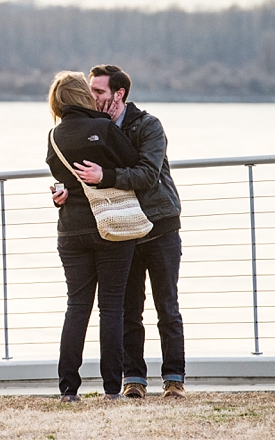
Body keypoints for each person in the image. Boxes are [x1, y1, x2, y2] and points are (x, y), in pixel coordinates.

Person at [69, 64, 186, 400]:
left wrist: (106, 176)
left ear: (119, 94)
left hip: (160, 226)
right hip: (123, 231)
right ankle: (134, 379)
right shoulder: (94, 130)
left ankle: (174, 380)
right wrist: (61, 192)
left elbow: (147, 174)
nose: (92, 97)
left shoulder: (149, 126)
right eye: (91, 91)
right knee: (128, 309)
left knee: (167, 306)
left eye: (99, 92)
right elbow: (81, 176)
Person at [45, 70, 142, 402]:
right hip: (111, 226)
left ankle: (68, 388)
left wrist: (60, 192)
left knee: (77, 307)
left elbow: (60, 176)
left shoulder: (54, 135)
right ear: (83, 96)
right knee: (111, 308)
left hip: (70, 229)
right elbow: (132, 162)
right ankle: (112, 388)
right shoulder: (103, 128)